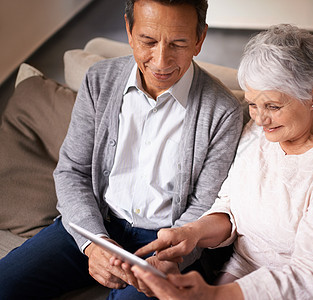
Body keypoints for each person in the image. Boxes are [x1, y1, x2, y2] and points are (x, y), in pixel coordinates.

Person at [0, 0, 242, 299]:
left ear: (199, 39)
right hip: (95, 223)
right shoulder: (99, 79)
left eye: (178, 43)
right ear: (129, 30)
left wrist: (168, 257)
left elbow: (203, 206)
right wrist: (93, 243)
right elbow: (72, 170)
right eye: (148, 41)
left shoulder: (223, 111)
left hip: (163, 245)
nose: (161, 60)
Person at [126, 24, 313, 299]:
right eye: (253, 104)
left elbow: (310, 276)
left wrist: (214, 296)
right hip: (241, 275)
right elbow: (229, 206)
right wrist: (192, 233)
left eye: (272, 106)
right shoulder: (259, 133)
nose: (259, 118)